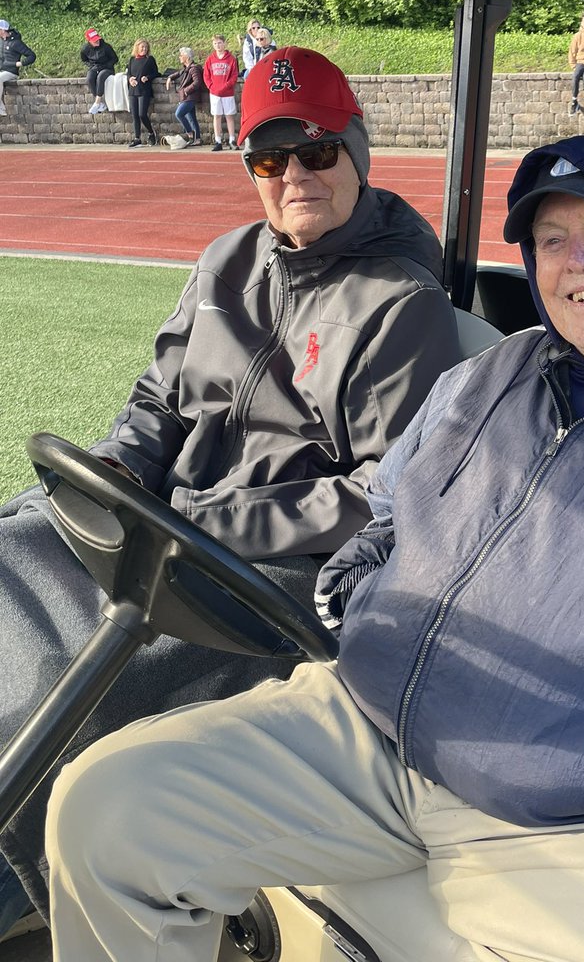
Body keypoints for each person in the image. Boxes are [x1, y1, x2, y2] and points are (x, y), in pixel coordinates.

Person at [45, 130, 584, 962]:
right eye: (554, 239)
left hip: (579, 825)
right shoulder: (497, 375)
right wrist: (360, 594)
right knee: (104, 813)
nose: (578, 260)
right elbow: (386, 507)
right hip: (369, 734)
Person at [0, 45, 461, 935]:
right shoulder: (227, 261)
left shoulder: (402, 306)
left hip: (278, 576)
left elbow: (380, 497)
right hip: (165, 526)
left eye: (318, 151)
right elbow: (155, 400)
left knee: (68, 693)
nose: (295, 176)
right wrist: (124, 471)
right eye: (269, 157)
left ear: (357, 152)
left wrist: (209, 518)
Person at [203, 34, 239, 150]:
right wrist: (211, 86)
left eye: (219, 43)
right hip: (214, 93)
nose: (217, 45)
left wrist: (226, 86)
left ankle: (232, 140)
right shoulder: (210, 59)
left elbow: (234, 76)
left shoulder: (231, 59)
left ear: (224, 43)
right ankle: (218, 141)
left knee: (229, 116)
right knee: (217, 116)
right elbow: (206, 75)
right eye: (215, 43)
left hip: (227, 93)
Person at [165, 46, 205, 146]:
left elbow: (197, 82)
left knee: (179, 114)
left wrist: (186, 91)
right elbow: (178, 73)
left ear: (187, 57)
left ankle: (190, 134)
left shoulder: (193, 68)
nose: (179, 57)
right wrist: (170, 78)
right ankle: (198, 139)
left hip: (190, 97)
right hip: (187, 97)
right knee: (191, 118)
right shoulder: (187, 68)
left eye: (181, 55)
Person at [125, 38, 160, 147]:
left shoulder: (149, 59)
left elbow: (156, 73)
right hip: (133, 90)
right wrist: (130, 79)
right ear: (137, 48)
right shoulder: (132, 60)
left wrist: (147, 77)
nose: (144, 49)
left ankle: (151, 132)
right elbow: (128, 73)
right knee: (134, 115)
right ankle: (137, 138)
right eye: (142, 47)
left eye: (146, 47)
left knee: (142, 114)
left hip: (144, 89)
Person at [0, 20, 35, 117]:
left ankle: (1, 108)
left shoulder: (15, 42)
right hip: (2, 70)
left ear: (3, 30)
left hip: (11, 72)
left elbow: (31, 56)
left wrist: (19, 64)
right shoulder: (1, 42)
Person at [80, 29, 119, 115]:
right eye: (94, 41)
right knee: (89, 78)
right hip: (94, 67)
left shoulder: (106, 47)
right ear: (89, 41)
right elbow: (84, 60)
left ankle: (97, 102)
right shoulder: (85, 49)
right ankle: (100, 104)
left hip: (107, 68)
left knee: (101, 76)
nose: (97, 41)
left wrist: (106, 65)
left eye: (97, 39)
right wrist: (92, 66)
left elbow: (115, 59)